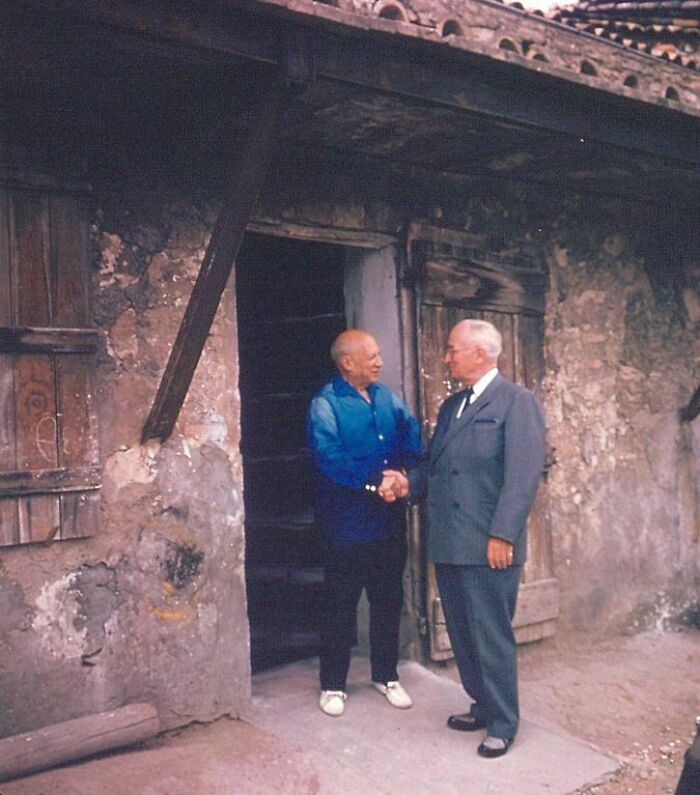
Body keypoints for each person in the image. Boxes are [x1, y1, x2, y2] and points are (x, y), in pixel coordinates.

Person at [382, 319, 546, 758]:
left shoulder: (516, 402)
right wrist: (406, 484)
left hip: (490, 545)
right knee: (462, 633)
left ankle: (504, 723)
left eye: (453, 349)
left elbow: (522, 475)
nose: (446, 357)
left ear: (480, 352)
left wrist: (502, 534)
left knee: (490, 634)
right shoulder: (453, 406)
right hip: (452, 542)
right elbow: (437, 471)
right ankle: (482, 704)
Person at [307, 329, 422, 718]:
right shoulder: (325, 404)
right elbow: (329, 459)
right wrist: (376, 483)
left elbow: (412, 435)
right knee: (340, 605)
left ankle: (385, 675)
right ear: (347, 363)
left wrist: (402, 476)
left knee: (388, 602)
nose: (379, 362)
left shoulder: (387, 398)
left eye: (378, 354)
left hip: (388, 524)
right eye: (371, 356)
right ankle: (334, 685)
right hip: (346, 528)